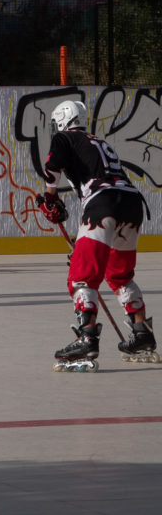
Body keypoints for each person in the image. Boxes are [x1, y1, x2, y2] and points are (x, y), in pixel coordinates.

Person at [39, 99, 156, 370]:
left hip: (101, 203)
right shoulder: (97, 141)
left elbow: (52, 166)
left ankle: (87, 338)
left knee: (82, 276)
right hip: (131, 202)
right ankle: (142, 334)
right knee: (119, 275)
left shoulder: (64, 137)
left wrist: (50, 197)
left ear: (63, 119)